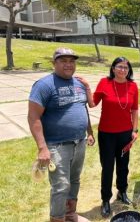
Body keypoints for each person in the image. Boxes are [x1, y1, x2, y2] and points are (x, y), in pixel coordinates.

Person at [28, 47, 95, 222]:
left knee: (74, 181)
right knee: (61, 186)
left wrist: (89, 132)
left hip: (79, 142)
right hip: (57, 145)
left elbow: (83, 109)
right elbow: (33, 117)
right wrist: (42, 148)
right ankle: (57, 219)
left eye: (71, 61)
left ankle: (70, 214)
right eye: (63, 61)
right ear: (54, 63)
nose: (68, 64)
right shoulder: (44, 85)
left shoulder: (79, 83)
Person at [81, 57, 139, 218]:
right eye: (119, 67)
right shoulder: (104, 83)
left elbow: (134, 110)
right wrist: (86, 87)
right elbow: (92, 104)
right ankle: (105, 199)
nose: (122, 70)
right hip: (107, 134)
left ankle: (122, 191)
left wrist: (135, 130)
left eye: (126, 68)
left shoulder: (133, 85)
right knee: (107, 167)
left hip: (125, 133)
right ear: (113, 68)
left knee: (123, 165)